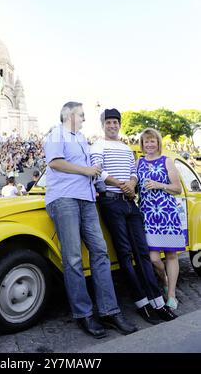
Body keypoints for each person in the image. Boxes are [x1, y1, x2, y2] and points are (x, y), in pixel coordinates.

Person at [44, 101, 137, 338]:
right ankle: (83, 314)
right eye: (81, 115)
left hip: (87, 200)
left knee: (100, 252)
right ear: (69, 115)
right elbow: (54, 162)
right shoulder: (57, 132)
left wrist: (95, 173)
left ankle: (109, 311)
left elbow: (89, 170)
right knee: (73, 258)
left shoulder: (82, 138)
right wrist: (86, 170)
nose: (85, 118)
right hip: (64, 198)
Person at [90, 108, 177, 324]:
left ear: (119, 125)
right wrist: (120, 184)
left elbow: (133, 172)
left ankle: (157, 301)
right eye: (108, 122)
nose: (112, 125)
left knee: (143, 254)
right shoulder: (98, 145)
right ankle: (142, 303)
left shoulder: (127, 149)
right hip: (111, 201)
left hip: (130, 202)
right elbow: (97, 170)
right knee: (125, 254)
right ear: (103, 125)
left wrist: (132, 183)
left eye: (115, 122)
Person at [137, 128, 185, 310]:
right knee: (153, 258)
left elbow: (177, 188)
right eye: (146, 141)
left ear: (158, 143)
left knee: (171, 255)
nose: (149, 144)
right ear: (142, 144)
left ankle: (171, 294)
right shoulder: (139, 162)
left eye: (152, 141)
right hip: (147, 214)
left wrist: (158, 185)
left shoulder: (167, 161)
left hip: (167, 213)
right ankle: (164, 280)